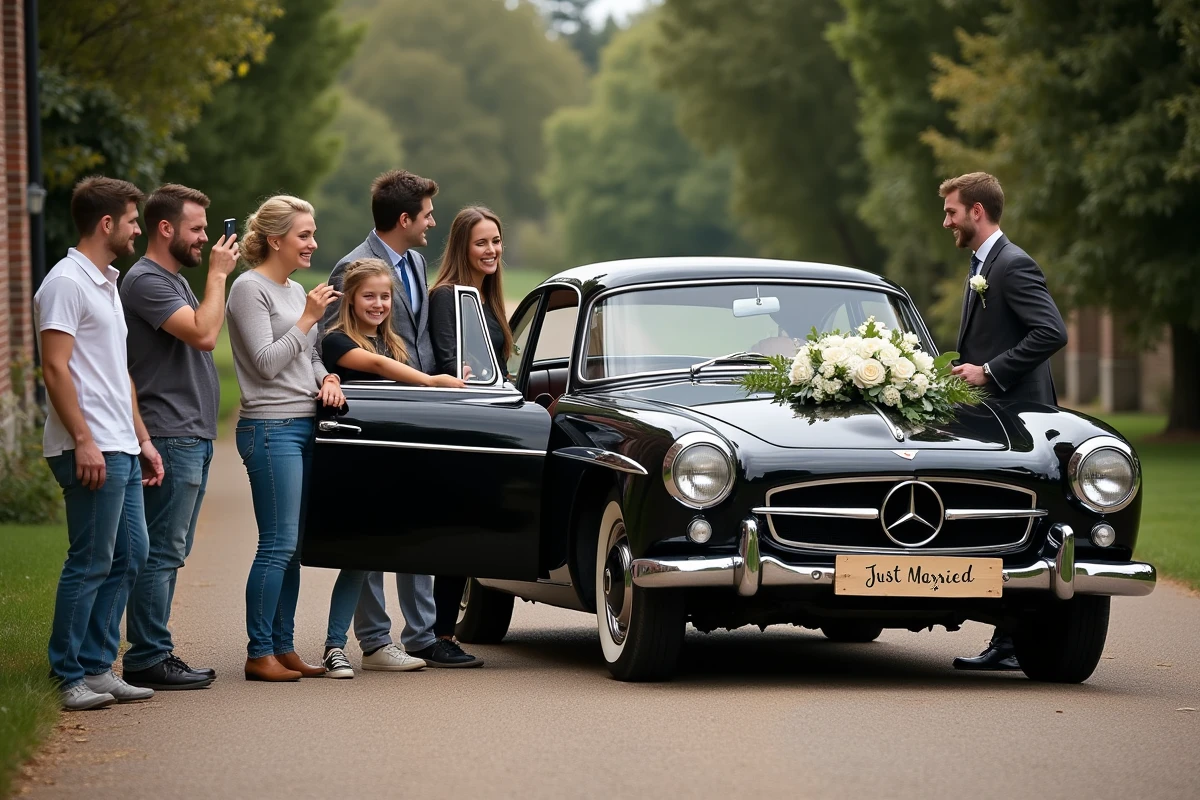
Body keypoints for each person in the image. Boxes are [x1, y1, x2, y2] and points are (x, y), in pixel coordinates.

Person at [34, 176, 165, 710]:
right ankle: (67, 675)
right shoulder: (65, 282)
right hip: (88, 447)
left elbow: (118, 374)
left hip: (123, 445)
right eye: (133, 220)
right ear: (107, 223)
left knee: (130, 556)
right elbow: (54, 368)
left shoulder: (106, 282)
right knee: (90, 560)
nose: (138, 229)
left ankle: (96, 666)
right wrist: (84, 440)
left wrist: (143, 437)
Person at [321, 170, 450, 668]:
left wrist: (441, 379)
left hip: (414, 411)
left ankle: (422, 634)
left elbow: (415, 339)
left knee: (412, 523)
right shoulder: (350, 267)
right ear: (404, 218)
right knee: (370, 533)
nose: (432, 222)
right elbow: (337, 346)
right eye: (427, 214)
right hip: (369, 417)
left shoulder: (416, 261)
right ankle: (374, 639)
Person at [939, 172, 1068, 671]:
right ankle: (1009, 640)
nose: (945, 220)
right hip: (996, 413)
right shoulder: (986, 264)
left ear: (976, 211)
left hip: (1022, 416)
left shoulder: (1011, 264)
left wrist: (989, 371)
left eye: (952, 211)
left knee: (1017, 520)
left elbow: (1051, 332)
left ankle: (1014, 641)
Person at [119, 184, 238, 690]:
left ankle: (154, 650)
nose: (205, 239)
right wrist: (217, 274)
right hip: (169, 434)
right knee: (160, 553)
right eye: (196, 229)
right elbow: (204, 333)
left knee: (170, 551)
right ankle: (148, 656)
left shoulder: (170, 279)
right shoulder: (146, 281)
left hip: (189, 435)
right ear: (164, 228)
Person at [226, 195, 345, 681]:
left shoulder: (297, 291)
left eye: (313, 234)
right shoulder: (247, 290)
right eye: (304, 235)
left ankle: (283, 646)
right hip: (269, 428)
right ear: (275, 239)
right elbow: (266, 362)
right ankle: (259, 653)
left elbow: (307, 358)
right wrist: (307, 320)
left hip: (304, 424)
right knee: (276, 544)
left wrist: (328, 379)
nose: (313, 243)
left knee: (293, 545)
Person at [419, 206, 518, 668]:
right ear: (462, 246)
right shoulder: (447, 297)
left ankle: (443, 631)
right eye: (482, 243)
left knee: (471, 530)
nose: (492, 250)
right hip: (457, 426)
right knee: (454, 533)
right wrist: (461, 373)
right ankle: (438, 634)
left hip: (485, 423)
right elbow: (446, 361)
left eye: (496, 241)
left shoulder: (486, 299)